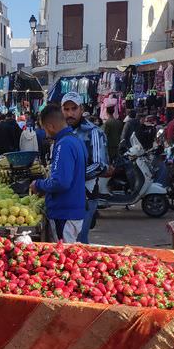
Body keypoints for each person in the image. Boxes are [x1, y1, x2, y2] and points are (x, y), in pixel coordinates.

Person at [30, 104, 86, 243]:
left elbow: (61, 182)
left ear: (50, 126)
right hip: (72, 211)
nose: (45, 133)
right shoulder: (75, 140)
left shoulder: (64, 144)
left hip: (64, 214)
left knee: (63, 257)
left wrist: (38, 184)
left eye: (44, 129)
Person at [62, 92, 108, 243]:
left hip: (85, 195)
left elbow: (99, 165)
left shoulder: (93, 132)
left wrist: (71, 177)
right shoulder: (61, 132)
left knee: (79, 242)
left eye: (73, 108)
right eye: (66, 109)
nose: (70, 113)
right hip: (66, 195)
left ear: (81, 109)